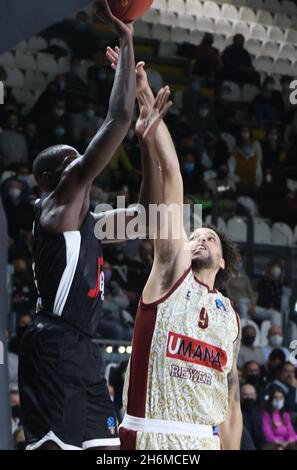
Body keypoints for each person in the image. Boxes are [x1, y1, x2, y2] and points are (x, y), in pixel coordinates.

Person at [107, 49, 242, 450]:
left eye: (211, 238)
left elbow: (231, 401)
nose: (200, 237)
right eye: (195, 233)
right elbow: (173, 178)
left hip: (202, 441)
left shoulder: (230, 318)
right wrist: (146, 102)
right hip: (151, 435)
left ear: (221, 261)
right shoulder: (170, 270)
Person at [18, 1, 137, 451]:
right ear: (54, 179)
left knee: (108, 451)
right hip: (54, 344)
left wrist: (148, 136)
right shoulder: (58, 204)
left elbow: (147, 211)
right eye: (74, 162)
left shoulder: (92, 222)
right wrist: (126, 42)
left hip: (82, 349)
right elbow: (116, 119)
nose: (84, 167)